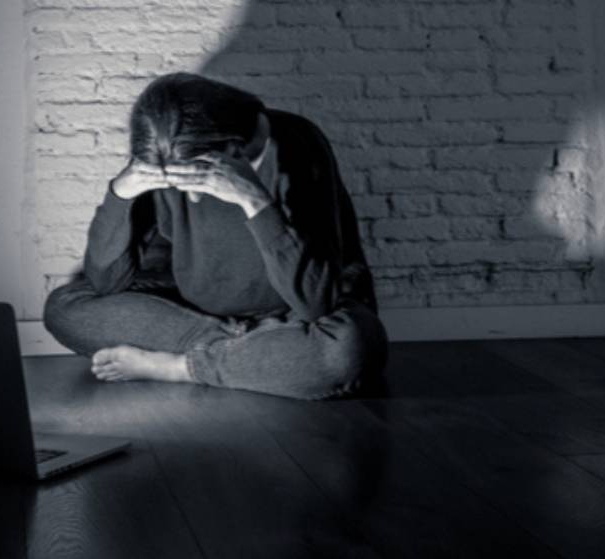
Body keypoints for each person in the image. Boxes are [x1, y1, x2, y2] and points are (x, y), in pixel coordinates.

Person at [42, 72, 387, 401]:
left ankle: (183, 367)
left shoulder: (298, 144)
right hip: (196, 316)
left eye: (192, 179)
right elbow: (107, 283)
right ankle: (248, 355)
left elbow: (316, 301)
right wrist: (121, 194)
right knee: (64, 307)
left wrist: (253, 199)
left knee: (346, 350)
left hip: (293, 315)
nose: (187, 194)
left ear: (233, 151)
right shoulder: (171, 149)